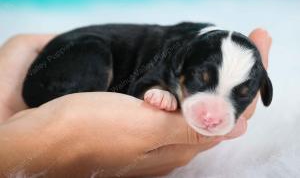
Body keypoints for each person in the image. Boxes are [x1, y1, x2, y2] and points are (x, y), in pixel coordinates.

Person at [0, 29, 272, 177]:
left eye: (240, 94)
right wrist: (157, 90)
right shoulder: (177, 53)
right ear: (180, 65)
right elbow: (145, 83)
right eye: (201, 82)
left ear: (261, 89)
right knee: (95, 58)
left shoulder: (198, 53)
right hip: (76, 57)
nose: (213, 115)